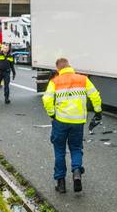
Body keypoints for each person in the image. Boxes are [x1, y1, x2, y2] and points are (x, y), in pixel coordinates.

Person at [42, 58, 102, 193]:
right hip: (78, 122)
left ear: (58, 69)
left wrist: (52, 114)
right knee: (76, 148)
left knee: (59, 151)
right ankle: (76, 172)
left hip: (61, 121)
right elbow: (95, 95)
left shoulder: (55, 81)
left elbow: (46, 99)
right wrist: (98, 111)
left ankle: (61, 183)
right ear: (70, 66)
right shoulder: (82, 79)